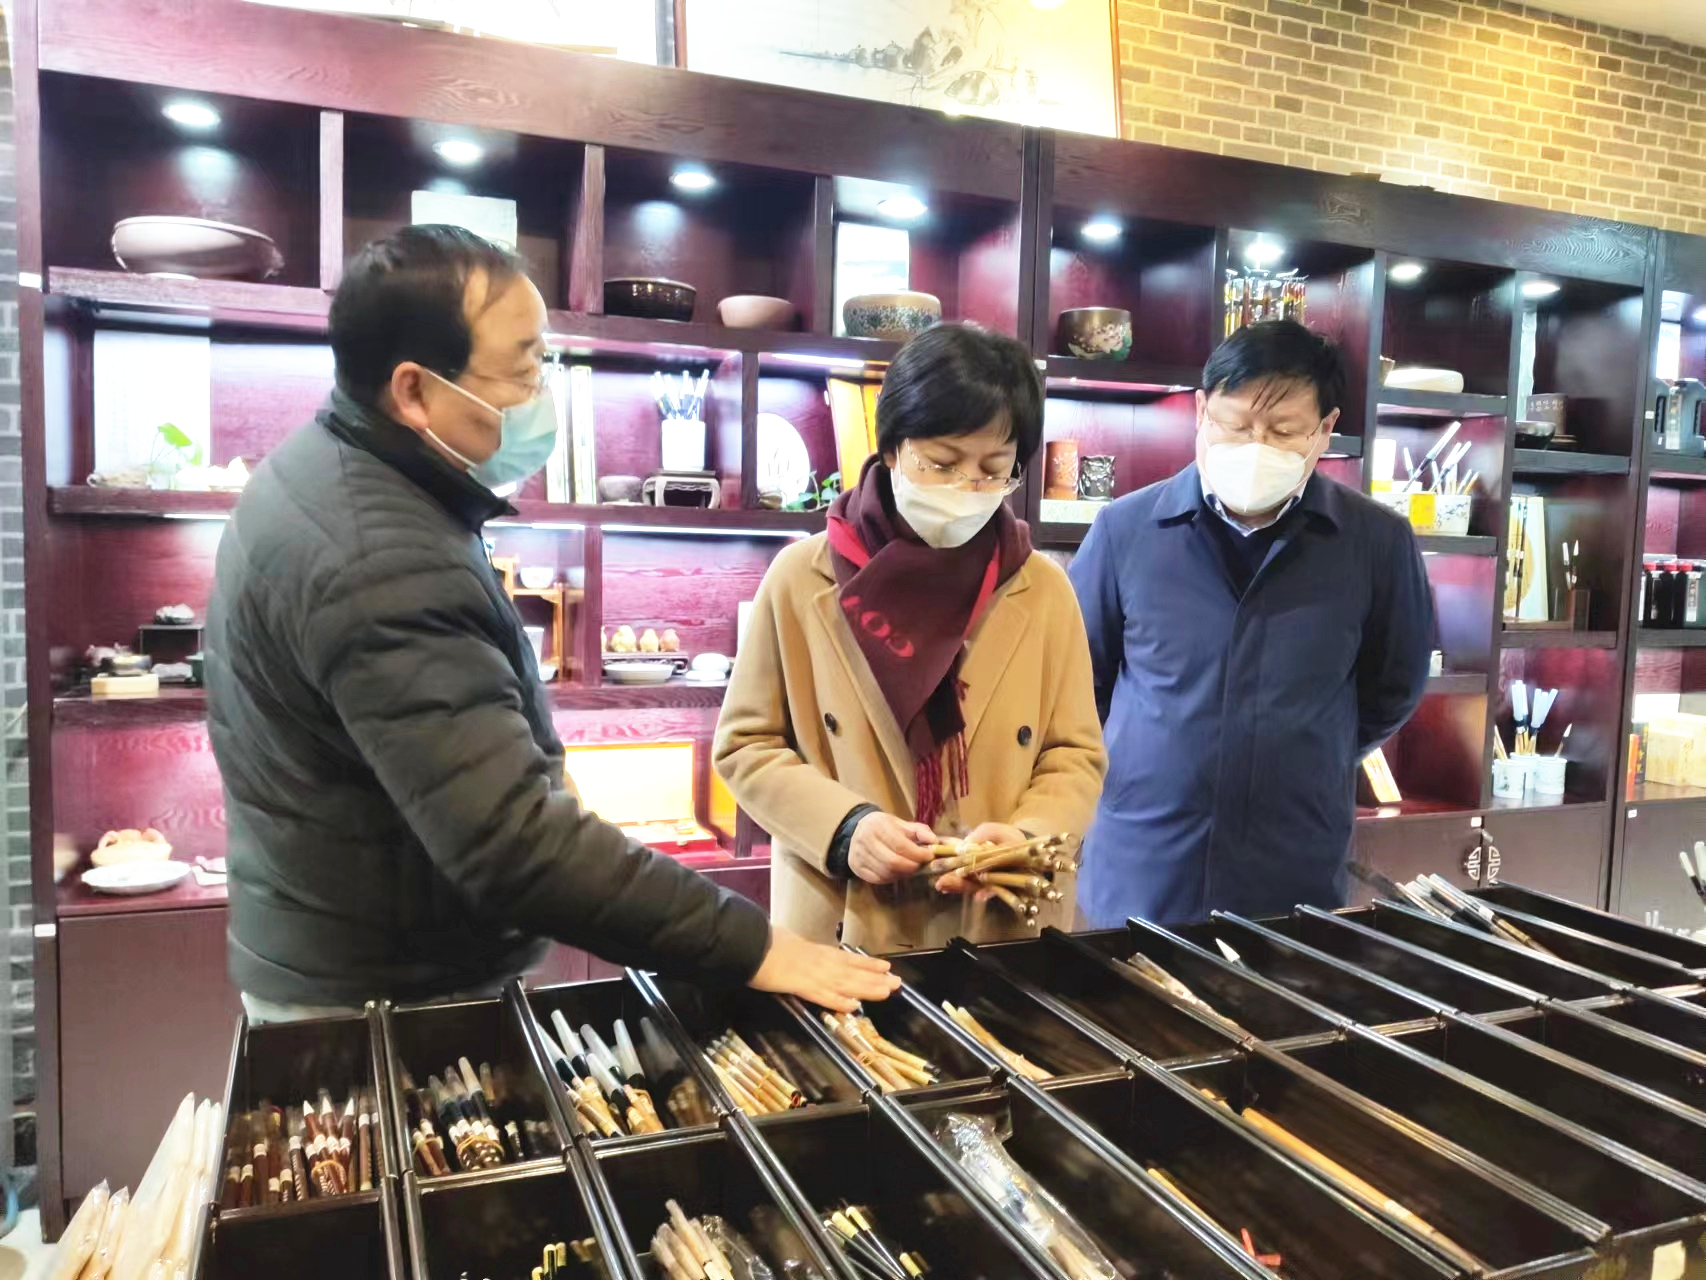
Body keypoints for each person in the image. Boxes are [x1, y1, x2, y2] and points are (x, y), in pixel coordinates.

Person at [204, 225, 898, 1020]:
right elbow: (515, 843)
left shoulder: (329, 469)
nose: (543, 393)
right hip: (385, 996)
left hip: (342, 951)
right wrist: (757, 947)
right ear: (414, 391)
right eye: (524, 368)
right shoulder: (379, 556)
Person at [714, 324, 1106, 952]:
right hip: (844, 921)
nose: (967, 488)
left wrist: (1028, 838)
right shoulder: (802, 578)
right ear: (893, 448)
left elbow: (1074, 754)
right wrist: (845, 828)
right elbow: (746, 746)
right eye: (942, 464)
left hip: (1001, 924)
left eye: (993, 470)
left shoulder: (1041, 588)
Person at [1069, 319, 1434, 926]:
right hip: (1144, 858)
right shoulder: (1125, 530)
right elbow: (1081, 682)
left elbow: (1392, 687)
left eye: (1283, 430)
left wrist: (1301, 749)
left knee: (1285, 989)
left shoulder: (1377, 542)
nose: (1254, 446)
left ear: (1325, 430)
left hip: (1291, 864)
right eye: (1235, 426)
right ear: (1200, 412)